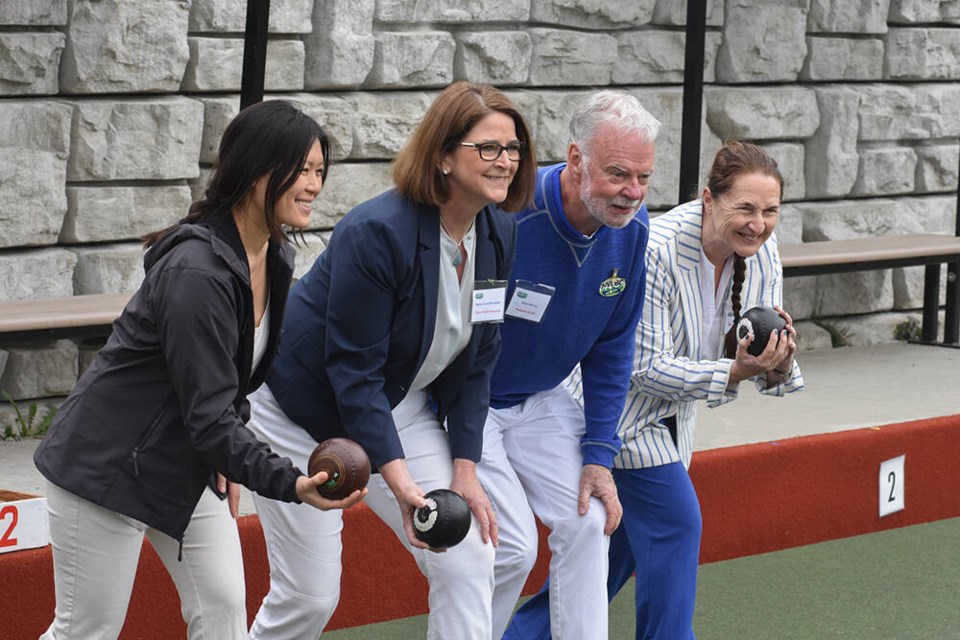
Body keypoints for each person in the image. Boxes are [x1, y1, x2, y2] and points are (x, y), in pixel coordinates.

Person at [32, 100, 365, 640]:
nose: (314, 186)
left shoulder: (274, 257)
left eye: (319, 171)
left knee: (223, 615)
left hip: (184, 466)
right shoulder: (196, 273)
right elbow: (210, 416)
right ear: (258, 170)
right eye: (301, 170)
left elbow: (229, 385)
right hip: (105, 468)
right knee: (86, 630)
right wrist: (290, 482)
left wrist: (229, 460)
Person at [243, 81, 537, 639]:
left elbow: (479, 360)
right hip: (297, 411)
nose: (507, 161)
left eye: (514, 148)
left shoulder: (498, 230)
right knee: (309, 597)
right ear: (446, 156)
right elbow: (353, 372)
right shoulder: (378, 231)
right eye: (489, 148)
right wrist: (405, 489)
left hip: (396, 402)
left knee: (468, 554)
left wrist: (465, 471)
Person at [505, 140, 805, 639]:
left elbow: (758, 344)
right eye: (746, 208)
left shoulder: (763, 250)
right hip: (613, 416)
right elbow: (641, 369)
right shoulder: (657, 246)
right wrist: (732, 374)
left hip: (672, 423)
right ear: (709, 199)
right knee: (677, 524)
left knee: (610, 560)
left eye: (770, 211)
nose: (759, 223)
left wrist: (777, 362)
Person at [475, 89, 660, 640]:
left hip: (542, 400)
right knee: (510, 546)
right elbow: (460, 338)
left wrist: (599, 454)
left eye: (644, 178)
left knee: (589, 519)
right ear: (576, 159)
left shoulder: (632, 229)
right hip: (468, 400)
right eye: (619, 174)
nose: (633, 193)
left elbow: (612, 349)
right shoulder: (510, 214)